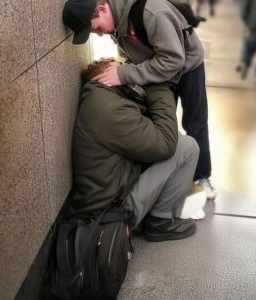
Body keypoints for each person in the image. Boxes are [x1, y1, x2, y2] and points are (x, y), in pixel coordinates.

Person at [62, 0, 217, 200]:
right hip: (156, 63)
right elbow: (131, 51)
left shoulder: (153, 13)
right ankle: (177, 170)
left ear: (102, 8)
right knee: (162, 122)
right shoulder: (117, 23)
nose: (100, 33)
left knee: (195, 122)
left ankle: (202, 176)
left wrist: (125, 75)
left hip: (186, 65)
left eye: (96, 28)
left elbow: (173, 60)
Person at [69, 58, 199, 242]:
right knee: (187, 147)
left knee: (179, 141)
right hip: (112, 210)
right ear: (104, 78)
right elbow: (166, 143)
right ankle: (160, 223)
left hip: (113, 193)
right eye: (118, 69)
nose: (126, 72)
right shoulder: (109, 110)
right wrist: (158, 84)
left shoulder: (102, 100)